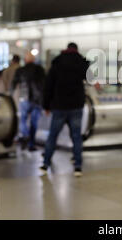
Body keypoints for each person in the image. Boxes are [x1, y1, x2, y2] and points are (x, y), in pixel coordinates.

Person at [40, 42, 91, 177]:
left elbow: (48, 85)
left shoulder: (57, 62)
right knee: (76, 137)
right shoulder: (81, 62)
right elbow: (90, 76)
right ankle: (78, 167)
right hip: (76, 106)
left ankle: (45, 164)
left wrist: (46, 105)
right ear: (76, 50)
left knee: (52, 136)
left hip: (59, 105)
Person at [11, 52, 45, 151]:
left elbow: (13, 84)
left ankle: (25, 136)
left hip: (24, 98)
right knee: (34, 123)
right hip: (37, 100)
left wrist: (10, 96)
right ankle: (31, 144)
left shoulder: (20, 70)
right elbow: (44, 84)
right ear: (34, 60)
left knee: (23, 120)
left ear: (25, 60)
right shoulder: (40, 70)